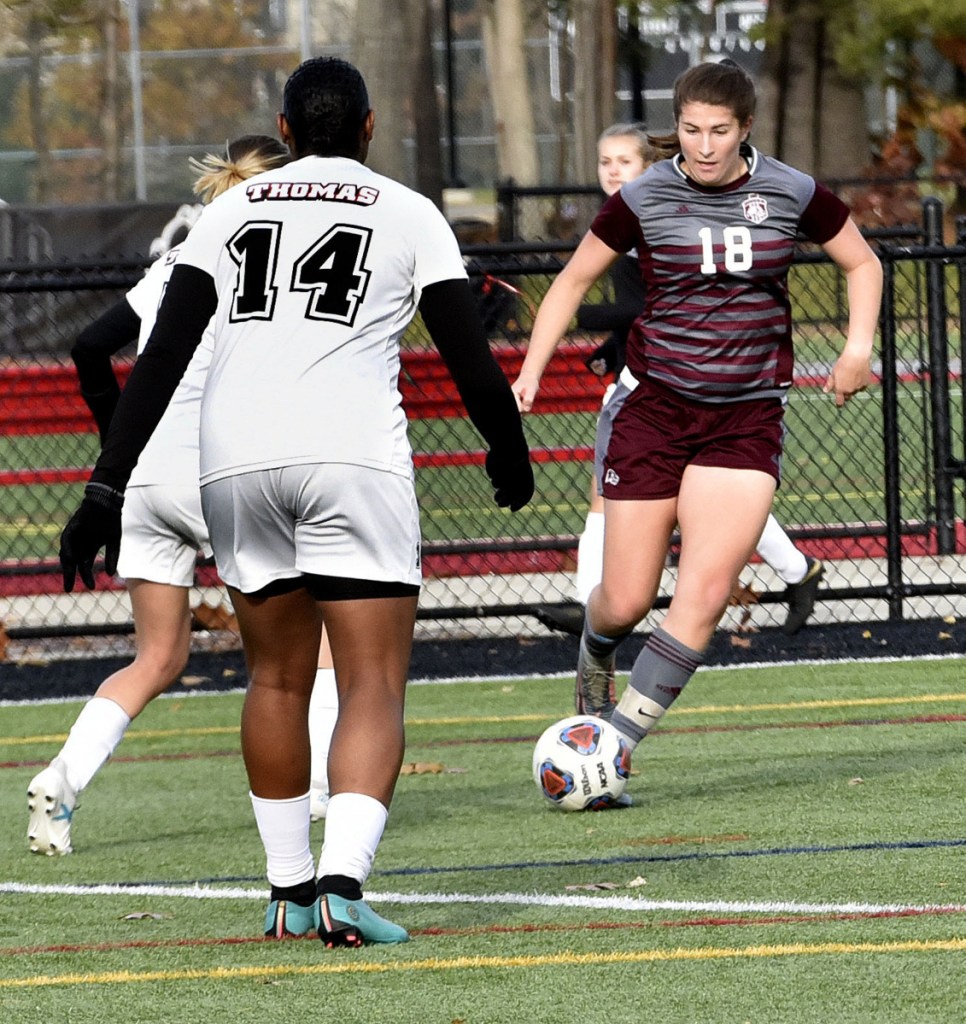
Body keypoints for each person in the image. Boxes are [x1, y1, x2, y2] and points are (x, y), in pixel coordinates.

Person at [57, 56, 533, 947]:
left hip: (235, 464)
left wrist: (104, 484)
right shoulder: (408, 210)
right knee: (371, 681)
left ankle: (286, 894)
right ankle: (344, 887)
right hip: (350, 457)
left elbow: (158, 355)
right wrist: (506, 446)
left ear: (283, 127)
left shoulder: (229, 210)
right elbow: (466, 348)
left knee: (274, 677)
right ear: (369, 126)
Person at [513, 60, 880, 739]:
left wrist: (857, 349)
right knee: (624, 602)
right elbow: (569, 283)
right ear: (675, 128)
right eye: (690, 131)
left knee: (704, 596)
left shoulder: (791, 190)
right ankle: (596, 649)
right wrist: (531, 369)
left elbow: (862, 262)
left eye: (719, 131)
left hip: (746, 417)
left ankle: (612, 744)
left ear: (746, 129)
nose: (704, 146)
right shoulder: (644, 195)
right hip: (655, 410)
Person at [27, 135, 293, 857]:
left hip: (141, 477)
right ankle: (325, 800)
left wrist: (121, 451)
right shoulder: (270, 262)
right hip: (219, 468)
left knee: (158, 656)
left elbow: (90, 346)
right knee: (306, 647)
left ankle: (63, 778)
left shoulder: (179, 256)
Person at [533, 120, 826, 642]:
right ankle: (597, 603)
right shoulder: (625, 219)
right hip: (644, 387)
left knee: (709, 502)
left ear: (650, 169)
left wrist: (585, 320)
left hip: (685, 392)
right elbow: (644, 319)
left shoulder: (662, 218)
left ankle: (592, 602)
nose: (613, 172)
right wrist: (606, 351)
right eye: (605, 162)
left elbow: (645, 310)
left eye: (624, 162)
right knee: (630, 496)